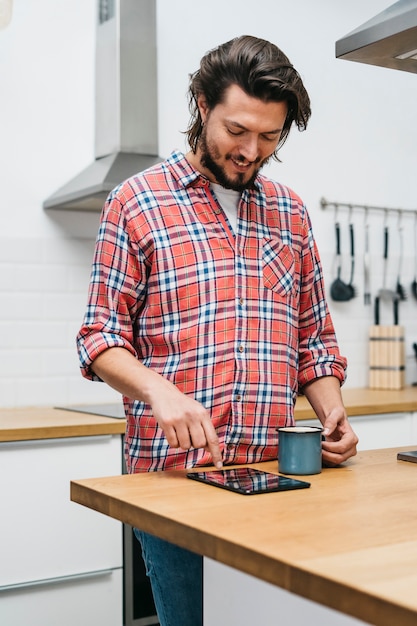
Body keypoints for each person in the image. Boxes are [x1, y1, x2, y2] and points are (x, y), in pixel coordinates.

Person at [77, 35, 358, 626]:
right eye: (237, 130)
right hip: (175, 480)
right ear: (203, 104)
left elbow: (314, 339)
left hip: (278, 477)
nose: (251, 150)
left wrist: (333, 413)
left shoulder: (291, 212)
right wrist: (159, 390)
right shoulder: (136, 203)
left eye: (270, 137)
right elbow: (100, 337)